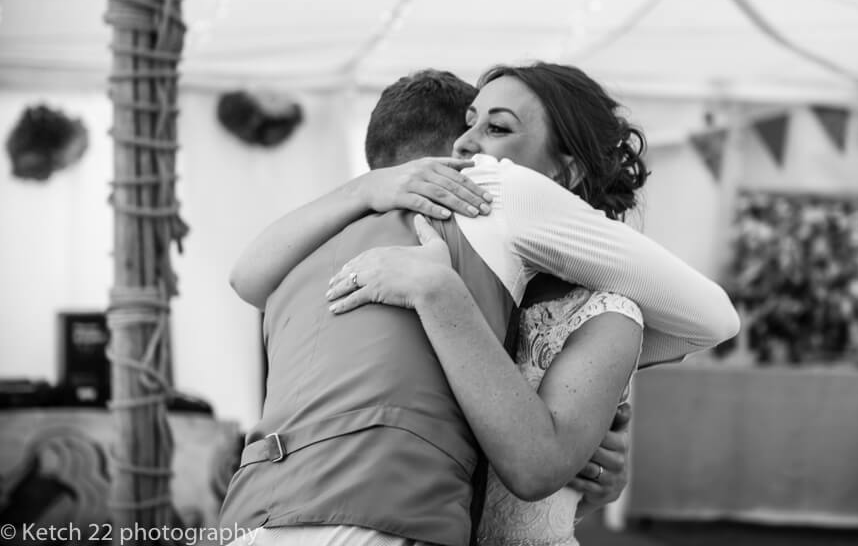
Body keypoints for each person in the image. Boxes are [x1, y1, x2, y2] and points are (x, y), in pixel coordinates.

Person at [220, 65, 739, 546]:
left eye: (497, 127)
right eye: (468, 124)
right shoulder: (462, 253)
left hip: (270, 513)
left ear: (568, 172)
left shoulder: (502, 201)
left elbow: (246, 280)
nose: (464, 146)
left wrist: (590, 423)